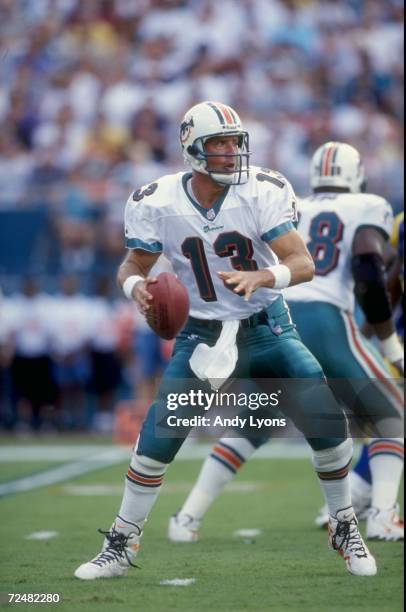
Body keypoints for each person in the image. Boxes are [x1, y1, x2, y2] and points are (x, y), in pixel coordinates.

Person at [75, 104, 376, 580]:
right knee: (158, 438)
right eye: (221, 144)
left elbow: (303, 264)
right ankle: (121, 542)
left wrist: (263, 275)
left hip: (267, 326)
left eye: (236, 142)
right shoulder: (157, 200)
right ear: (194, 150)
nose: (233, 152)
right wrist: (139, 292)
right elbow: (133, 267)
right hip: (201, 334)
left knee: (325, 418)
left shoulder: (262, 189)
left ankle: (344, 525)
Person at [167, 142, 404, 545]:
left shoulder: (295, 202)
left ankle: (186, 517)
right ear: (356, 173)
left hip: (278, 324)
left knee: (253, 424)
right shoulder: (370, 204)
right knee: (391, 415)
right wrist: (388, 341)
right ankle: (383, 515)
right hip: (325, 320)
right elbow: (366, 264)